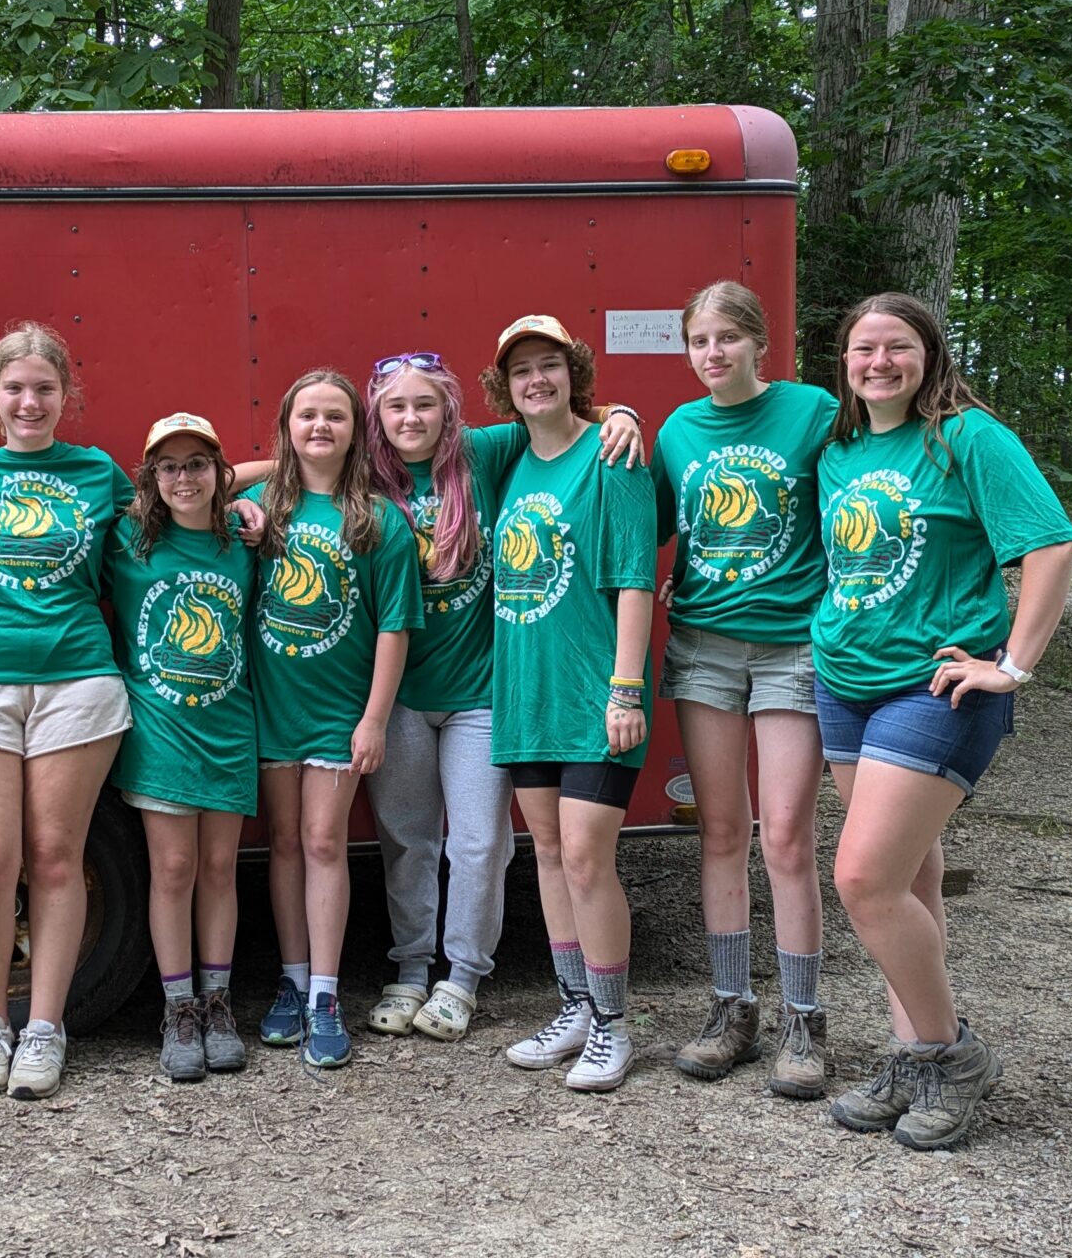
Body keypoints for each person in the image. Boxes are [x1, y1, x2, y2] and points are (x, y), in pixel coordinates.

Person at [813, 291, 1072, 1151]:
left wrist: (1013, 664)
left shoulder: (966, 437)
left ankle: (952, 1056)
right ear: (845, 363)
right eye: (863, 349)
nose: (878, 362)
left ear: (929, 354)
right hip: (845, 680)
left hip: (934, 689)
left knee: (862, 879)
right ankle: (915, 1053)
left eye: (897, 347)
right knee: (909, 881)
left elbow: (1048, 543)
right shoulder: (841, 447)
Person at [354, 354, 645, 1043]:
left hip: (482, 692)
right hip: (397, 694)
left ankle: (462, 978)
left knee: (481, 844)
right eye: (395, 407)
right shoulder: (363, 474)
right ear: (377, 417)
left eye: (425, 404)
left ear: (449, 410)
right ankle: (410, 969)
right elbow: (284, 466)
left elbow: (564, 418)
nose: (411, 419)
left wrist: (624, 413)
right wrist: (237, 494)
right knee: (407, 840)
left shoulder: (483, 451)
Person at [0, 323, 136, 1101]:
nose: (30, 401)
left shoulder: (98, 473)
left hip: (78, 681)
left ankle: (45, 1028)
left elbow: (187, 500)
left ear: (65, 396)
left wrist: (253, 501)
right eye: (14, 388)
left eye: (44, 388)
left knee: (55, 857)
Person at [651, 281, 839, 1096]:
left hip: (792, 646)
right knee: (721, 830)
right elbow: (643, 521)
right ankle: (733, 1008)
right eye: (699, 340)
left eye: (728, 337)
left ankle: (806, 1019)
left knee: (786, 836)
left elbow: (865, 499)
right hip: (703, 647)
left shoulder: (813, 412)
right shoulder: (677, 429)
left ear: (761, 343)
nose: (713, 353)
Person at [481, 315, 658, 1093]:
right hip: (526, 694)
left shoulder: (612, 457)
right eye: (521, 371)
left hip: (594, 695)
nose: (536, 381)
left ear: (573, 374)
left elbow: (634, 579)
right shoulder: (512, 458)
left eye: (549, 365)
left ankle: (615, 1025)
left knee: (588, 858)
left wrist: (626, 687)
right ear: (506, 388)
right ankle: (576, 1006)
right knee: (547, 856)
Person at [244, 369, 424, 1069]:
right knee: (284, 843)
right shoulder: (259, 509)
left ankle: (325, 992)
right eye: (307, 416)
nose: (320, 427)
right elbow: (201, 485)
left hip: (337, 714)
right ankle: (290, 982)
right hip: (269, 706)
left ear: (357, 431)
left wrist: (374, 719)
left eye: (336, 417)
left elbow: (393, 629)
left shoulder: (378, 520)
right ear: (287, 427)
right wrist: (261, 488)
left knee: (324, 843)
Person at [104, 413, 260, 1081]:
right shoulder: (129, 539)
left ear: (218, 473)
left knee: (220, 869)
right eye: (168, 466)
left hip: (228, 729)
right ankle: (178, 1008)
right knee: (173, 871)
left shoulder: (245, 542)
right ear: (151, 478)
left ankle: (219, 1002)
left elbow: (268, 471)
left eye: (198, 463)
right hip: (162, 733)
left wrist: (242, 489)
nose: (183, 477)